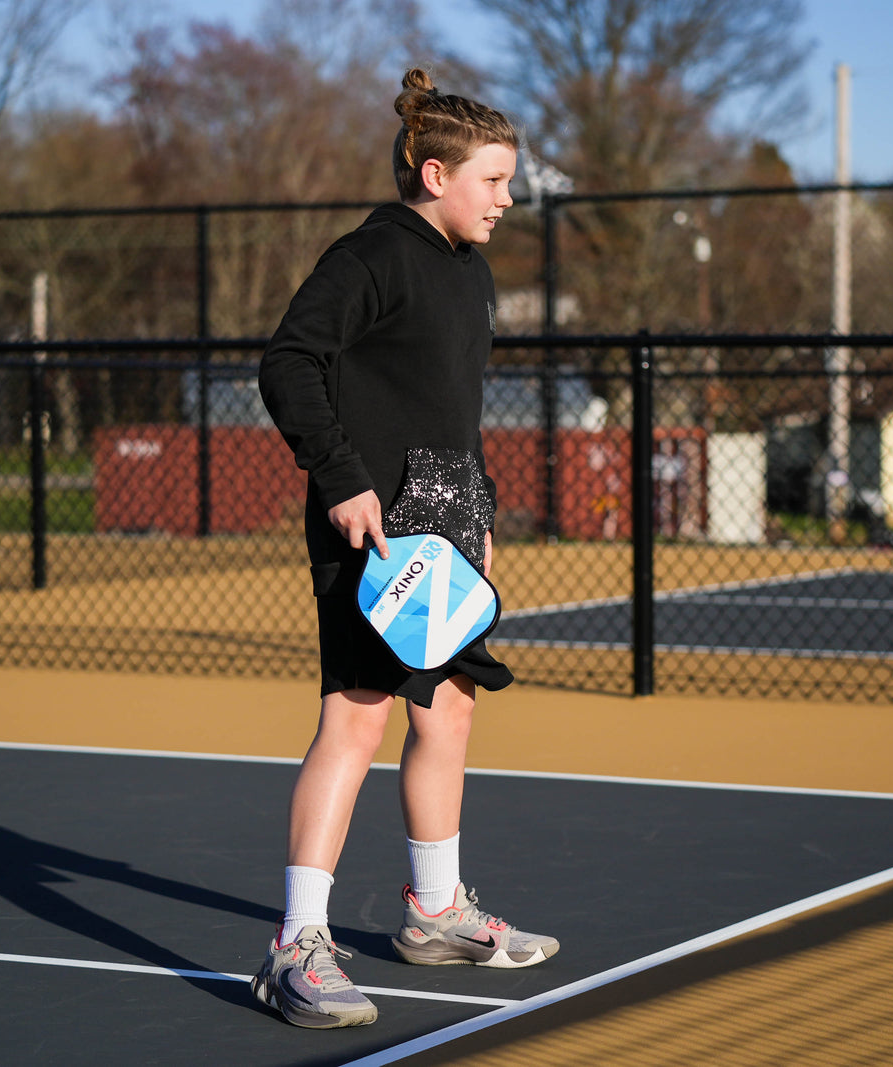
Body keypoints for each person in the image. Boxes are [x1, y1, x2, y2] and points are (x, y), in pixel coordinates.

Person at [251, 68, 558, 1030]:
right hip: (375, 529)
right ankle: (296, 946)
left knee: (450, 718)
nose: (509, 198)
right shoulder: (372, 256)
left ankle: (434, 911)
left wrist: (481, 511)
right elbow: (288, 362)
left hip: (450, 522)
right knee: (358, 719)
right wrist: (340, 477)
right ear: (435, 173)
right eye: (495, 180)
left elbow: (450, 414)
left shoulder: (470, 270)